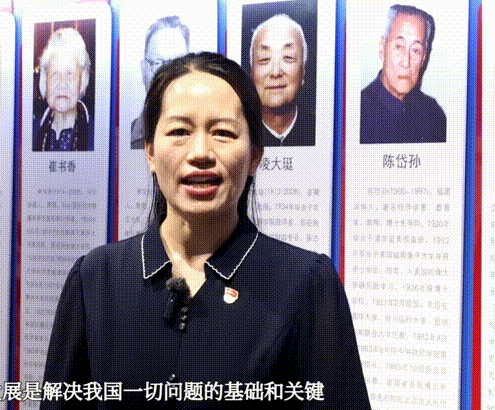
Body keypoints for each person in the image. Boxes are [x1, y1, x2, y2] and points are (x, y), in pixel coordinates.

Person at [42, 52, 370, 409]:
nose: (200, 153)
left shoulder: (305, 284)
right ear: (150, 152)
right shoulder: (96, 278)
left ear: (255, 156)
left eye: (223, 133)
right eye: (179, 132)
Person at [360, 4, 445, 144]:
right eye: (399, 46)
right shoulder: (358, 113)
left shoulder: (433, 115)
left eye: (415, 50)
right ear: (382, 48)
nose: (406, 62)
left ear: (424, 58)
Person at [250, 14, 314, 147]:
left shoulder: (318, 130)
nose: (275, 73)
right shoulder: (241, 133)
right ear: (251, 73)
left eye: (288, 58)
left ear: (303, 71)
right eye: (264, 59)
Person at [130, 15, 190, 149]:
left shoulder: (205, 138)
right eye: (157, 63)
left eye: (177, 64)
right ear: (143, 69)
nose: (166, 74)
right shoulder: (125, 138)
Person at [33, 28, 93, 151]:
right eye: (55, 74)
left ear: (82, 81)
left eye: (70, 74)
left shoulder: (98, 133)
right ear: (45, 80)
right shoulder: (29, 131)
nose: (62, 84)